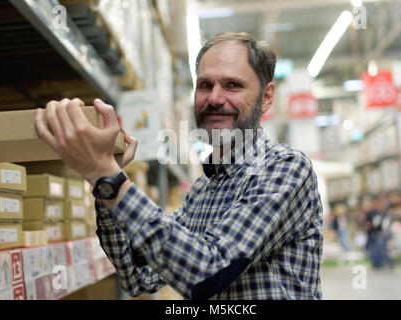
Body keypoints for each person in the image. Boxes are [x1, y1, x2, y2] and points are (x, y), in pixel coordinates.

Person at [35, 32, 323, 299]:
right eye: (205, 85)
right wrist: (109, 178)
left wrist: (105, 175)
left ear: (267, 97)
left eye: (233, 85)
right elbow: (137, 276)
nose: (214, 98)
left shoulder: (285, 169)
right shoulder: (202, 192)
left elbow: (205, 272)